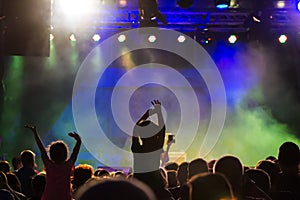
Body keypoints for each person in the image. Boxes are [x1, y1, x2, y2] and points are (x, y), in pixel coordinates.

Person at [25, 125, 81, 200]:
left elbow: (42, 149)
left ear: (51, 154)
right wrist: (78, 141)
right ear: (65, 154)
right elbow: (75, 153)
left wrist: (35, 133)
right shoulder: (68, 166)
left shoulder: (49, 166)